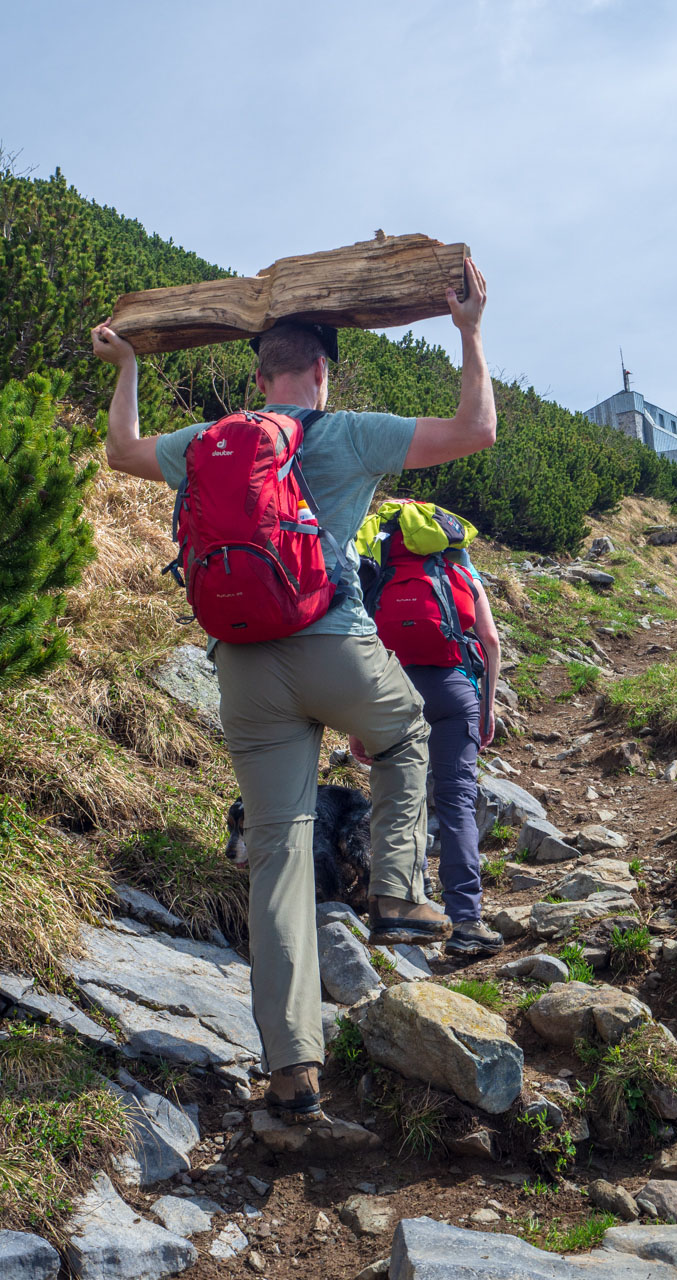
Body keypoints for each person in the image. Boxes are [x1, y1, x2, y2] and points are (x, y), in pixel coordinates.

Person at [92, 258, 497, 1122]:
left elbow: (121, 451)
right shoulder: (345, 432)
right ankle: (395, 893)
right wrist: (466, 329)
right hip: (335, 646)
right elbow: (474, 430)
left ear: (258, 373)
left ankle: (290, 1073)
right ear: (321, 368)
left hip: (241, 667)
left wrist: (127, 368)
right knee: (405, 736)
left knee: (276, 859)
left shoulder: (207, 442)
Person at [353, 513, 504, 956]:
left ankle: (404, 906)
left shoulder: (376, 576)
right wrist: (487, 707)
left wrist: (360, 722)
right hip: (455, 693)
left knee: (399, 802)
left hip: (394, 694)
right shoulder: (460, 573)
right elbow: (490, 641)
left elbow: (361, 647)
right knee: (456, 802)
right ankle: (466, 920)